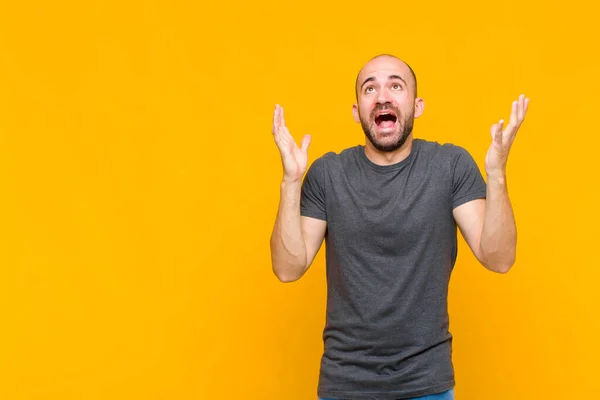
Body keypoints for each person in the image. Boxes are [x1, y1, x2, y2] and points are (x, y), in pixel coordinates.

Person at [269, 54, 529, 400]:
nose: (382, 97)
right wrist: (290, 181)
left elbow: (499, 258)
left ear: (417, 105)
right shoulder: (328, 174)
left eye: (395, 85)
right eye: (369, 88)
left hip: (427, 383)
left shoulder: (449, 167)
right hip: (345, 383)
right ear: (357, 110)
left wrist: (496, 175)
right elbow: (288, 268)